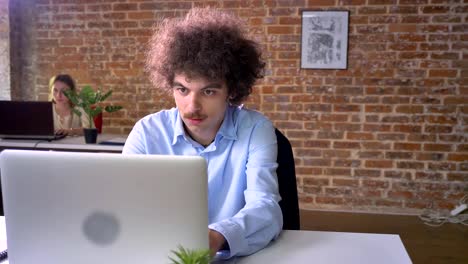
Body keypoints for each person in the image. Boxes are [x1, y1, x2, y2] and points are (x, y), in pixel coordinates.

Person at [123, 8, 282, 259]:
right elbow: (122, 203)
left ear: (232, 90)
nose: (192, 106)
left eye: (208, 92)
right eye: (183, 90)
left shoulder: (255, 129)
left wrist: (216, 237)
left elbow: (266, 209)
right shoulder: (147, 132)